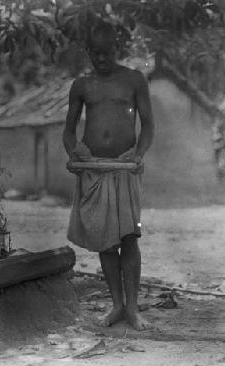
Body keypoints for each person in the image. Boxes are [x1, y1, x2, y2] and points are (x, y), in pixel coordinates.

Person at [63, 21, 155, 331]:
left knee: (129, 238)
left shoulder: (133, 80)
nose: (101, 59)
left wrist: (138, 154)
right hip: (95, 171)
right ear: (88, 52)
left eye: (106, 52)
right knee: (105, 241)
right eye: (95, 53)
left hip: (124, 169)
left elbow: (148, 126)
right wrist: (75, 152)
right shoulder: (82, 84)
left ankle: (132, 308)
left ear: (116, 50)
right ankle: (116, 305)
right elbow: (68, 130)